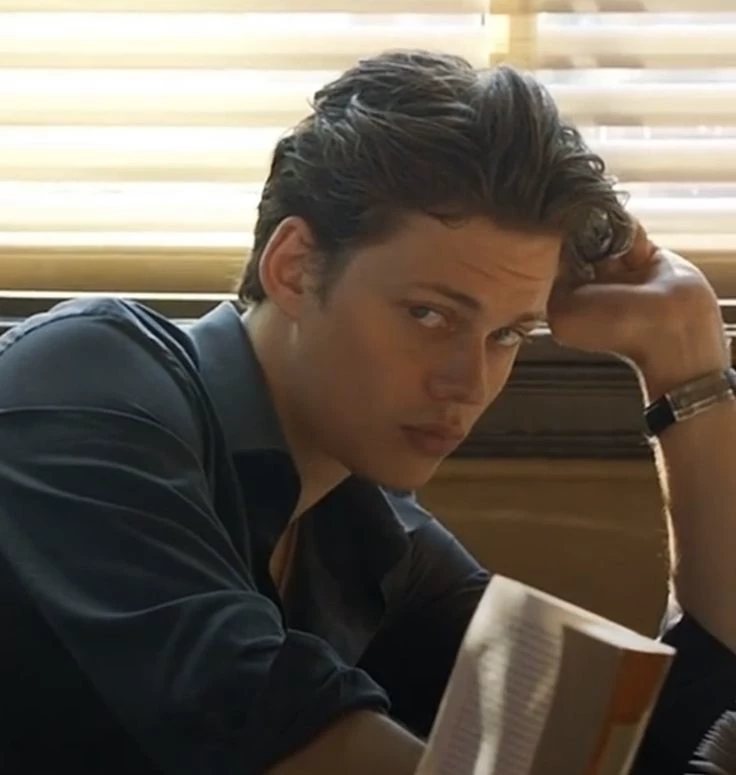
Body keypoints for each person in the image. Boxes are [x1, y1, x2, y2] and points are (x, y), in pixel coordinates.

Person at [0, 50, 733, 775]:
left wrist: (687, 359)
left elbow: (665, 736)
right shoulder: (82, 378)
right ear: (294, 267)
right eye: (429, 315)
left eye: (508, 334)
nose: (469, 382)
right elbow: (277, 732)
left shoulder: (371, 528)